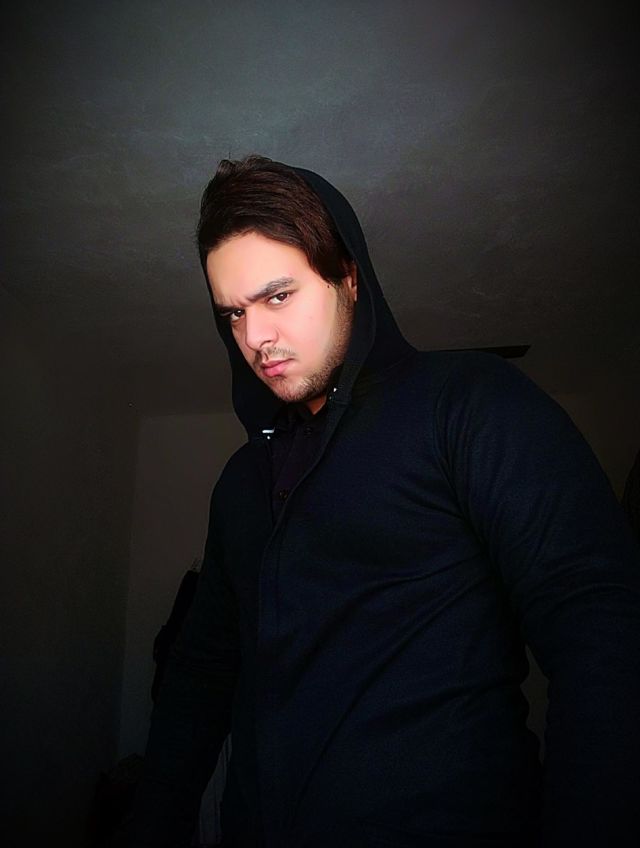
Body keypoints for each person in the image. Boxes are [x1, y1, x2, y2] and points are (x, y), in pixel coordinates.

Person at [125, 156, 640, 848]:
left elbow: (599, 622)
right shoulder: (241, 483)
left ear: (348, 276)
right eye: (234, 313)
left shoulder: (467, 404)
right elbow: (200, 675)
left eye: (278, 297)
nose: (254, 338)